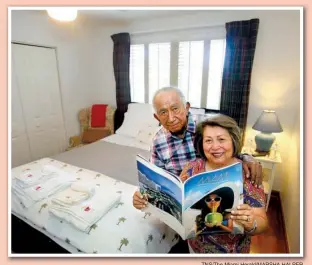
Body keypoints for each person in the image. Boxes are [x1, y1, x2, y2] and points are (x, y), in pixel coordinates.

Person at [132, 86, 264, 252]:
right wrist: (143, 197)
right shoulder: (158, 141)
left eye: (175, 109)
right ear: (156, 116)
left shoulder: (206, 128)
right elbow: (156, 179)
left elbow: (227, 149)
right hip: (186, 211)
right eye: (163, 112)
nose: (171, 118)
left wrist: (247, 158)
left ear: (187, 107)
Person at [179, 114, 268, 253]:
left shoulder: (248, 173)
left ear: (233, 141)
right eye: (208, 140)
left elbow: (263, 222)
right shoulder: (191, 168)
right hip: (195, 248)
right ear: (201, 144)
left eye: (221, 139)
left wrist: (252, 223)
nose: (215, 146)